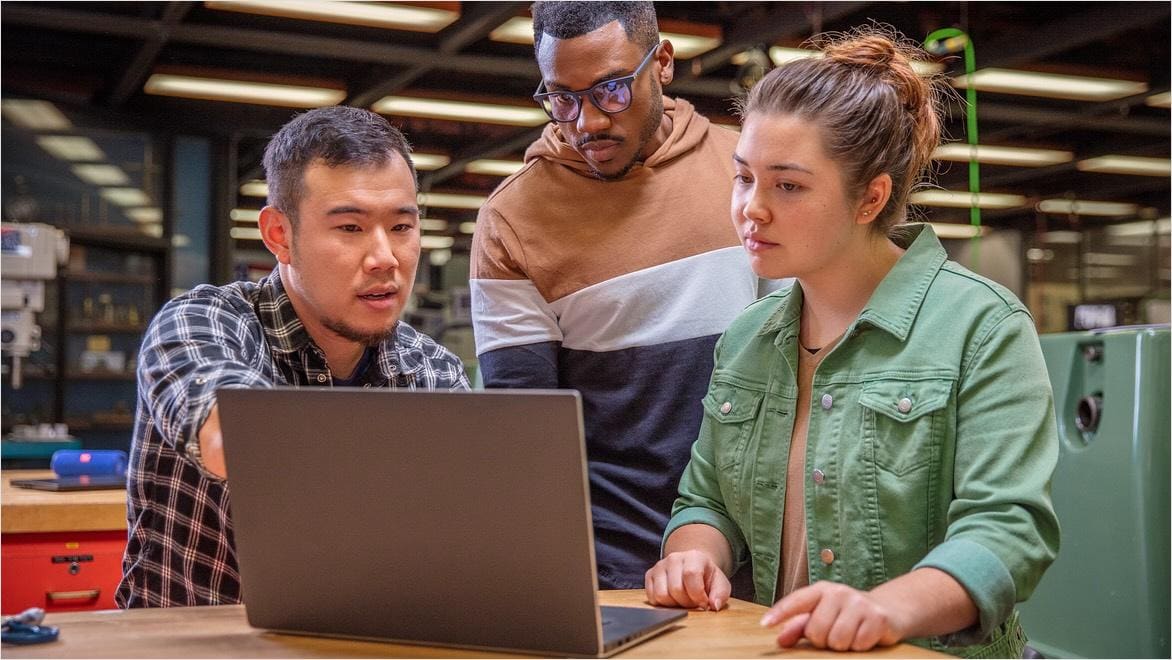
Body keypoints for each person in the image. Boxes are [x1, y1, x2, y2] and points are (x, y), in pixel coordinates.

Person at [643, 28, 1060, 657]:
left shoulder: (983, 328)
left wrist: (885, 610)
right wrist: (693, 555)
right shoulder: (747, 338)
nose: (752, 208)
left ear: (871, 197)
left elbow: (1008, 531)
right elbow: (707, 500)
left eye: (788, 185)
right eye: (743, 178)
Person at [117, 106, 469, 608]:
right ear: (279, 235)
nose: (385, 257)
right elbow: (236, 432)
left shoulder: (434, 372)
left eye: (401, 227)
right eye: (350, 228)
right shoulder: (202, 323)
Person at [470, 1, 768, 591]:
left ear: (661, 63)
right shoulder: (512, 221)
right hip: (612, 568)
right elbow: (526, 438)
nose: (587, 122)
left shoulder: (748, 176)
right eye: (562, 97)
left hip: (764, 552)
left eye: (610, 90)